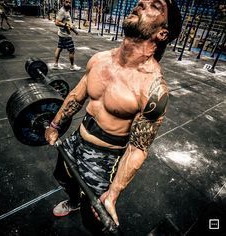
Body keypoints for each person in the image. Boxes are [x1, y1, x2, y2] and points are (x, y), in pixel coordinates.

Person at [45, 0, 182, 234]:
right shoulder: (100, 59)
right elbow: (77, 96)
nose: (141, 3)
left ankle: (88, 208)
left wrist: (114, 193)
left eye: (154, 6)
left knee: (95, 219)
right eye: (143, 1)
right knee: (62, 176)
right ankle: (74, 201)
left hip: (105, 157)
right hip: (77, 138)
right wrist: (55, 124)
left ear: (162, 33)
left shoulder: (153, 89)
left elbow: (138, 148)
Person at [53, 0, 81, 71]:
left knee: (59, 48)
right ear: (63, 2)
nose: (68, 3)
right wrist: (65, 25)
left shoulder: (66, 10)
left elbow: (68, 23)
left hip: (62, 34)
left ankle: (56, 64)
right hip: (65, 35)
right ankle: (72, 66)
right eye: (66, 2)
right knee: (71, 51)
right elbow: (57, 22)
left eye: (69, 2)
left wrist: (74, 31)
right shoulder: (62, 11)